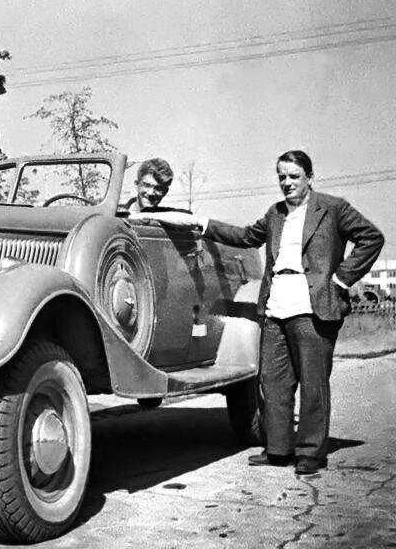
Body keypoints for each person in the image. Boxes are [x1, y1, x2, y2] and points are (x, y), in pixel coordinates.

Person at [128, 150, 384, 475]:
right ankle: (277, 450)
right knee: (273, 380)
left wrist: (340, 278)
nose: (287, 183)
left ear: (309, 177)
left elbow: (371, 238)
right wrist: (200, 223)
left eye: (294, 176)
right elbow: (246, 237)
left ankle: (310, 454)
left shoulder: (333, 209)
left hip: (312, 304)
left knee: (313, 382)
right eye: (282, 177)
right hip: (276, 303)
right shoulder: (275, 213)